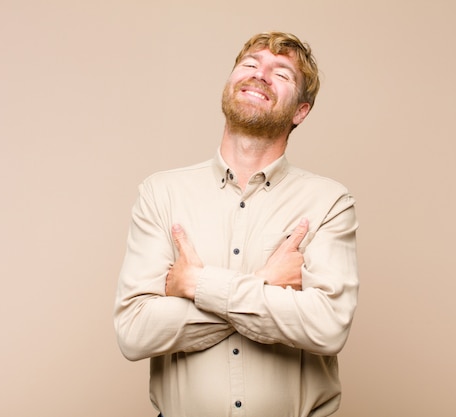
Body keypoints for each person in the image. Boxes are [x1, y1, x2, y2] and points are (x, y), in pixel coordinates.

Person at [114, 31, 359, 417]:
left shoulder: (329, 202)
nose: (260, 74)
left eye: (281, 73)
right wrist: (263, 282)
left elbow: (327, 327)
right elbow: (134, 333)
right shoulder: (160, 193)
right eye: (249, 64)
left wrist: (196, 285)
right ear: (229, 85)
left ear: (300, 111)